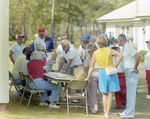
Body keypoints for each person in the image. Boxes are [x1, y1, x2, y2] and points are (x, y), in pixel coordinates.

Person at [85, 36, 123, 118]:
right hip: (110, 71)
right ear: (106, 43)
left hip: (102, 72)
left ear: (97, 43)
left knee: (104, 94)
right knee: (110, 94)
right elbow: (120, 55)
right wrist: (116, 65)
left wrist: (87, 76)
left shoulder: (95, 53)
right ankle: (107, 113)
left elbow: (91, 66)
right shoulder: (109, 50)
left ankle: (105, 112)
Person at [117, 34, 141, 118]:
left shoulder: (128, 47)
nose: (117, 41)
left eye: (117, 40)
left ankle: (130, 114)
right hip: (128, 73)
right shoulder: (124, 48)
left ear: (120, 40)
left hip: (131, 72)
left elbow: (138, 55)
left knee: (130, 94)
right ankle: (128, 111)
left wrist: (134, 67)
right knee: (129, 93)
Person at [84, 43, 101, 114]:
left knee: (103, 92)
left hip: (101, 76)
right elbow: (86, 68)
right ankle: (94, 108)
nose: (88, 52)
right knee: (93, 93)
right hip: (92, 76)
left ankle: (105, 108)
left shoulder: (100, 56)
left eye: (90, 51)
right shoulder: (88, 58)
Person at [112, 45, 126, 109]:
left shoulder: (122, 56)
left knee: (123, 90)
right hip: (115, 74)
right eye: (113, 49)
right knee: (117, 90)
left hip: (121, 73)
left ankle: (124, 102)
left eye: (116, 49)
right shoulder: (112, 57)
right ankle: (118, 104)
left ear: (119, 49)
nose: (115, 50)